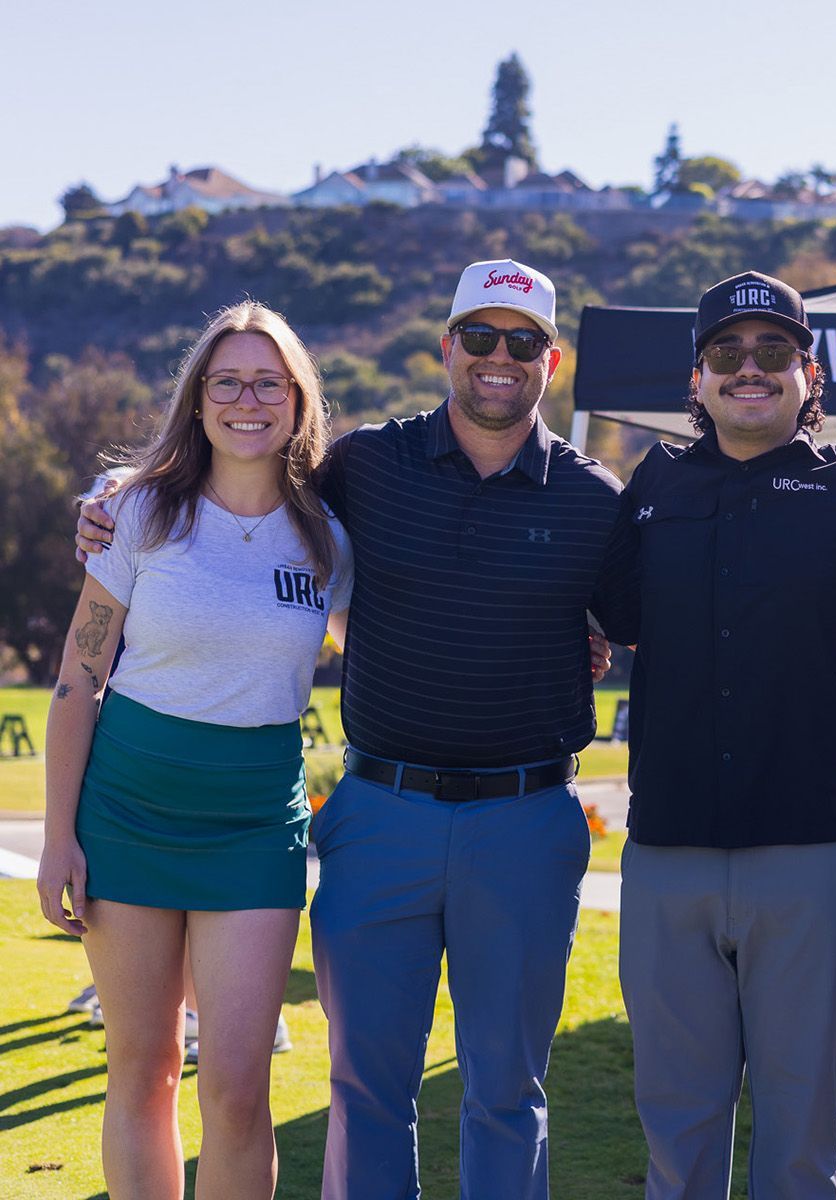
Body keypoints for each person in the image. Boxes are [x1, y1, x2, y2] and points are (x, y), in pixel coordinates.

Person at [77, 259, 635, 1200]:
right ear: (446, 347)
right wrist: (116, 501)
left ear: (553, 359)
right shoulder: (367, 464)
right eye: (482, 338)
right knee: (367, 1087)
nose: (500, 358)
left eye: (524, 341)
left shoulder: (596, 500)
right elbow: (242, 472)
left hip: (526, 818)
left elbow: (628, 622)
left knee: (506, 1088)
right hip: (383, 813)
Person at [39, 300, 352, 1199]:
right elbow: (77, 680)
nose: (247, 400)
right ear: (200, 398)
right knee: (143, 1074)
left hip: (254, 825)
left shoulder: (331, 539)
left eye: (268, 382)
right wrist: (59, 837)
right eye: (227, 382)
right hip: (127, 811)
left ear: (296, 401)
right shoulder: (135, 515)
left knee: (238, 1088)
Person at [607, 272, 836, 1198]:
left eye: (774, 351)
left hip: (809, 852)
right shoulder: (651, 483)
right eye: (727, 353)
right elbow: (616, 621)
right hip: (668, 855)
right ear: (695, 377)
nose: (750, 370)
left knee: (801, 1133)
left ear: (808, 372)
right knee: (676, 1129)